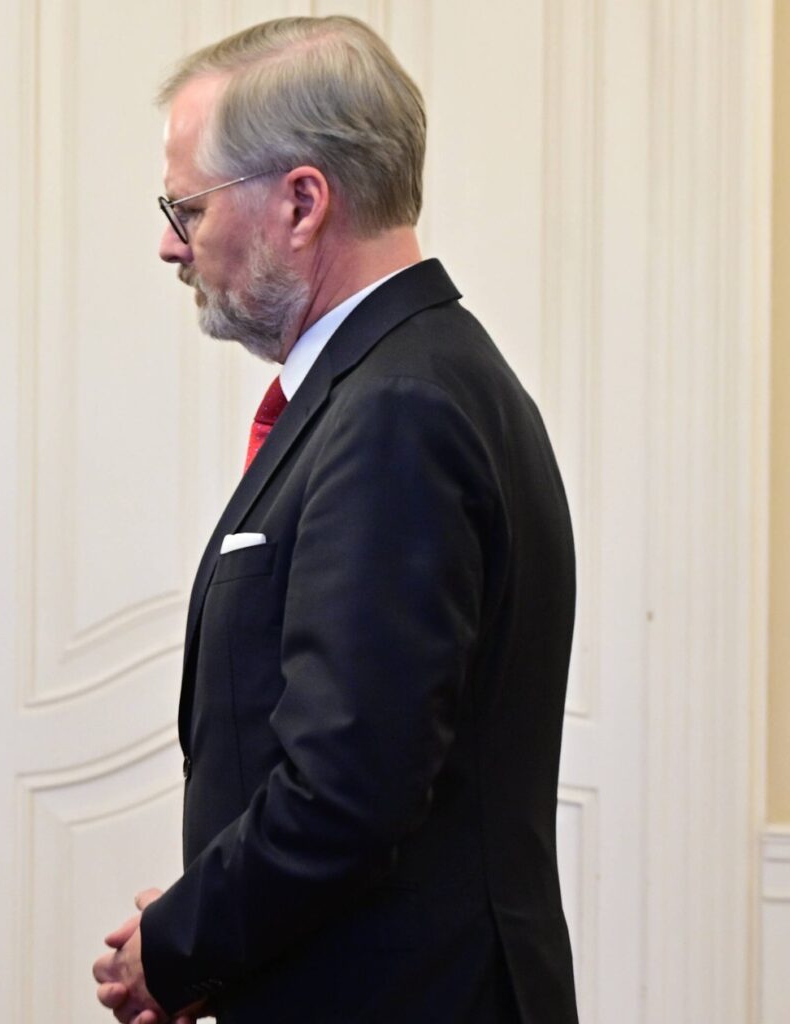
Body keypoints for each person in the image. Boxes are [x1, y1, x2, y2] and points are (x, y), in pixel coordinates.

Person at [90, 17, 579, 1023]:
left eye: (186, 206)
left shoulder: (398, 407)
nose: (170, 243)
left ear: (303, 202)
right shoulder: (414, 377)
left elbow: (346, 794)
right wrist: (206, 924)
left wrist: (176, 946)